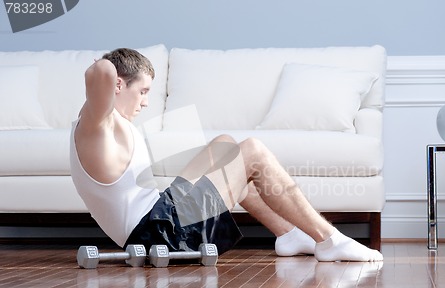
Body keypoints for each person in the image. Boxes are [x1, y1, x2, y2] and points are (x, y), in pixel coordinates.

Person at [70, 48, 383, 262]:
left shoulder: (111, 125)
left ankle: (289, 234)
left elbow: (107, 76)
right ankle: (328, 239)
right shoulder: (97, 126)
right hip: (160, 235)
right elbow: (101, 71)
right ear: (118, 85)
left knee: (225, 146)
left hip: (160, 215)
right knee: (252, 152)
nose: (146, 103)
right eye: (143, 92)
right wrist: (111, 64)